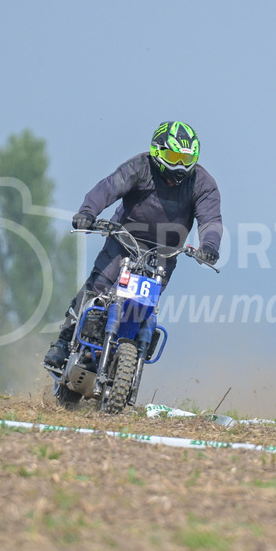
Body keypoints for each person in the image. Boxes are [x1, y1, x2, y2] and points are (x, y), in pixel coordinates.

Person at [43, 120, 222, 369]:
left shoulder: (203, 183)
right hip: (124, 239)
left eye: (186, 158)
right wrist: (88, 212)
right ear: (158, 152)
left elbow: (210, 219)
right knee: (99, 287)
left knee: (144, 309)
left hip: (165, 253)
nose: (180, 165)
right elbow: (108, 188)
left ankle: (128, 355)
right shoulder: (140, 166)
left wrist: (210, 246)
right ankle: (63, 342)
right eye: (173, 156)